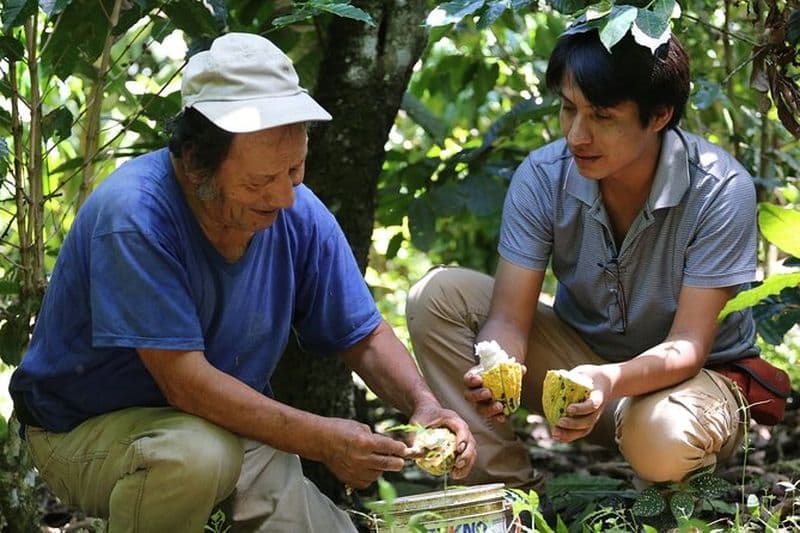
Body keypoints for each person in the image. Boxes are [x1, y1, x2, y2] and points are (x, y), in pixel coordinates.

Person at [9, 32, 476, 532]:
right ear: (194, 164)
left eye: (294, 170)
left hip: (226, 424)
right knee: (196, 456)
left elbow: (362, 336)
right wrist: (321, 439)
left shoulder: (298, 213)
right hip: (86, 430)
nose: (283, 197)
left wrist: (423, 404)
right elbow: (184, 383)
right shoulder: (135, 216)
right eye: (258, 182)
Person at [406, 25, 758, 488]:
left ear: (659, 116)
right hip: (583, 376)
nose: (576, 135)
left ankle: (672, 481)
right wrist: (496, 368)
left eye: (602, 116)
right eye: (568, 109)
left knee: (663, 439)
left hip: (691, 384)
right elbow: (509, 319)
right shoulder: (543, 176)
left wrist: (609, 380)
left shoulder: (720, 189)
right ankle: (505, 493)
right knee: (437, 296)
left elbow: (688, 347)